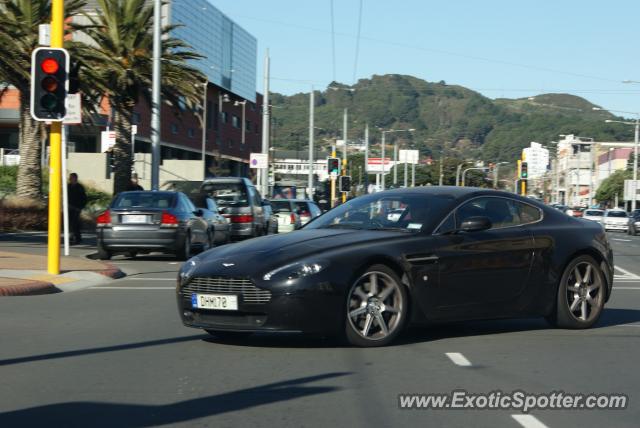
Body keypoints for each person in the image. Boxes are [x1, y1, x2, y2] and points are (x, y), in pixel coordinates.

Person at [67, 173, 87, 244]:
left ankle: (75, 238)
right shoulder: (68, 186)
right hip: (69, 207)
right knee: (69, 222)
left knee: (75, 223)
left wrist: (81, 207)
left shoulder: (79, 187)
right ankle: (73, 237)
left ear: (75, 178)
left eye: (72, 177)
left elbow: (84, 198)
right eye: (70, 177)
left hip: (77, 208)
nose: (70, 179)